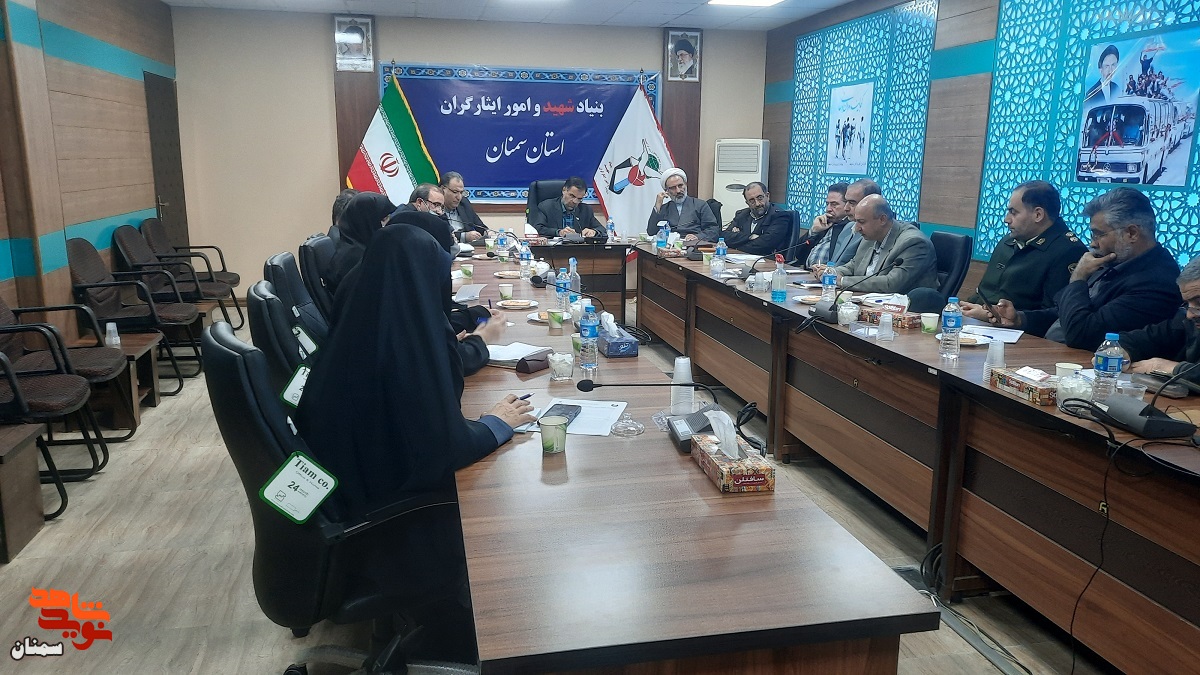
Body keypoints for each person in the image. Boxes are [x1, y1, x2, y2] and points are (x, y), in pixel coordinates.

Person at [300, 223, 535, 518]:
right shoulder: (409, 348)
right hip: (387, 506)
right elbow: (443, 450)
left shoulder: (359, 320)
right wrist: (496, 423)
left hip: (346, 482)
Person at [976, 188, 1181, 351]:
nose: (1092, 243)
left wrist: (1079, 278)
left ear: (1132, 233)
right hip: (1052, 352)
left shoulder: (1156, 281)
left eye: (1098, 234)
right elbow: (1063, 313)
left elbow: (1082, 334)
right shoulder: (1115, 260)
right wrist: (1020, 319)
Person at [953, 181, 1086, 316]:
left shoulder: (1068, 251)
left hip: (1012, 327)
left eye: (1013, 212)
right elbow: (985, 291)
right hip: (977, 320)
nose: (1006, 219)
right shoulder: (1009, 240)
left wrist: (993, 316)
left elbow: (1055, 315)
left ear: (1038, 215)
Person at [813, 194, 937, 294]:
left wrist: (842, 281)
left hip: (905, 310)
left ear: (882, 219)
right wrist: (830, 272)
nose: (856, 228)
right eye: (856, 221)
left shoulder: (913, 243)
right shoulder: (870, 236)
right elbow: (853, 266)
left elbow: (891, 284)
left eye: (861, 222)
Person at [1120, 257, 1200, 387]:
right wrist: (1118, 350)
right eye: (1187, 304)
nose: (1190, 315)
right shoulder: (1188, 323)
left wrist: (1166, 367)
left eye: (1199, 302)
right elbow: (1143, 339)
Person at [327, 191, 395, 295]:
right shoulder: (355, 259)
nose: (389, 224)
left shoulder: (357, 246)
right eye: (384, 219)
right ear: (367, 221)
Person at [797, 182, 862, 268]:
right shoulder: (825, 223)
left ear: (847, 205)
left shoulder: (851, 228)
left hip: (829, 274)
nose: (828, 209)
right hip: (807, 272)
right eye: (827, 204)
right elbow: (798, 255)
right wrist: (813, 231)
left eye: (834, 204)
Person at [644, 168, 718, 243]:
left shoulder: (700, 205)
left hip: (693, 245)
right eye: (673, 188)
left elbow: (713, 230)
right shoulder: (664, 208)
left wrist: (698, 236)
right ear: (667, 191)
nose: (678, 191)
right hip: (669, 246)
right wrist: (658, 205)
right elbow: (651, 232)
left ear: (685, 184)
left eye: (680, 185)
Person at [718, 182, 791, 255]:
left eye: (760, 198)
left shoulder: (779, 215)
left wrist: (737, 244)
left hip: (767, 259)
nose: (757, 204)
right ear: (747, 203)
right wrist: (750, 237)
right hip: (741, 258)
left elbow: (766, 244)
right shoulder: (742, 214)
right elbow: (724, 237)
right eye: (752, 200)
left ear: (767, 196)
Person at [530, 176, 603, 238]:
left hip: (579, 248)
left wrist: (594, 232)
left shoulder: (586, 210)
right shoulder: (546, 207)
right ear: (564, 190)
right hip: (554, 249)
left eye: (579, 199)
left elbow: (602, 230)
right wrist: (559, 232)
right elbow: (537, 229)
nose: (575, 201)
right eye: (572, 196)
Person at [440, 171, 488, 243]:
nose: (459, 197)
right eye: (455, 192)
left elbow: (479, 226)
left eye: (461, 192)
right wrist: (464, 236)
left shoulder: (464, 203)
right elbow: (440, 234)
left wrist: (488, 232)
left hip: (468, 248)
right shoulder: (435, 207)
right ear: (442, 189)